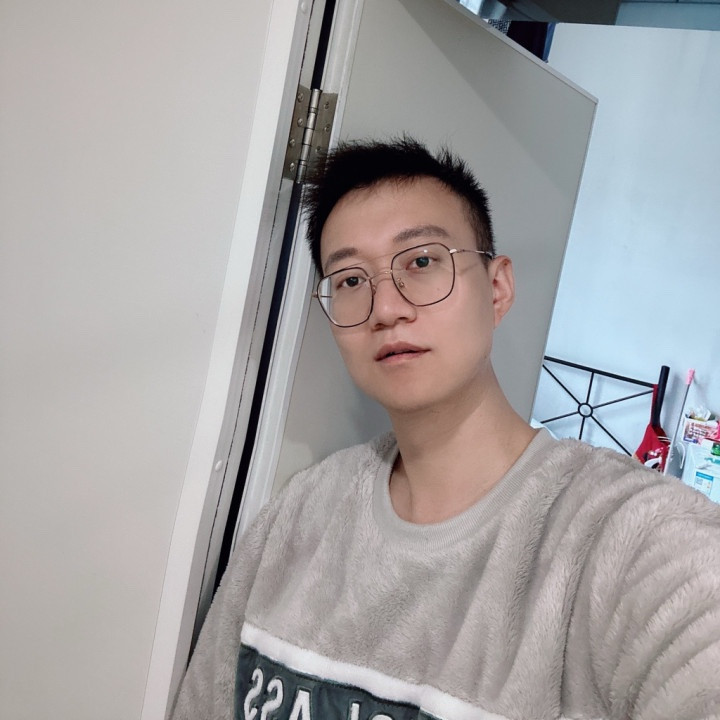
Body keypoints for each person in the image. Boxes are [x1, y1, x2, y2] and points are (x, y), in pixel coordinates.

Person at [171, 138, 720, 720]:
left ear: (498, 288)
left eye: (421, 262)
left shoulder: (628, 537)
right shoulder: (298, 516)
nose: (386, 308)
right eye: (351, 280)